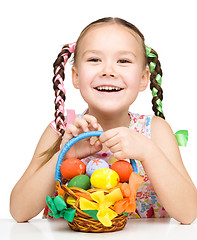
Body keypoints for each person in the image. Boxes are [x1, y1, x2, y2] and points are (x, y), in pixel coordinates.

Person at [10, 17, 197, 224]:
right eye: (94, 60)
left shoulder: (156, 131)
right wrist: (64, 154)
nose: (108, 71)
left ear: (144, 78)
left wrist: (148, 152)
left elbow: (188, 213)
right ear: (76, 76)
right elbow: (19, 211)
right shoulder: (62, 129)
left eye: (123, 61)